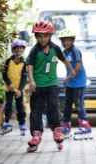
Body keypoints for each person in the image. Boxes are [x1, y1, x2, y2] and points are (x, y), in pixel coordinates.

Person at [26, 21, 75, 153]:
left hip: (52, 83)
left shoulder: (55, 48)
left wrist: (71, 71)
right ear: (36, 37)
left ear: (50, 36)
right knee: (36, 110)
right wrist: (31, 81)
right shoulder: (35, 50)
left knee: (53, 106)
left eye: (45, 36)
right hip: (37, 85)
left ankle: (57, 130)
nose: (42, 39)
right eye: (39, 36)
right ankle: (36, 135)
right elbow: (29, 66)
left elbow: (64, 59)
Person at [58, 29, 93, 140]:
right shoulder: (64, 52)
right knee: (67, 104)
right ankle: (66, 127)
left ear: (73, 41)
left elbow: (77, 68)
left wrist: (67, 79)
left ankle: (85, 127)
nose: (65, 43)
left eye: (68, 40)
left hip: (78, 81)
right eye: (63, 41)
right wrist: (67, 79)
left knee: (78, 103)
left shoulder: (75, 51)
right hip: (70, 81)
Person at [0, 40, 27, 136]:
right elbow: (4, 74)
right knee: (8, 105)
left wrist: (20, 89)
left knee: (20, 108)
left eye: (21, 48)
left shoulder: (24, 63)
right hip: (9, 89)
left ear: (23, 50)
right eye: (17, 48)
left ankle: (22, 123)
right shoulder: (8, 61)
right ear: (13, 50)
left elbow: (24, 78)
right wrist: (9, 83)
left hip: (18, 90)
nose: (19, 50)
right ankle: (5, 122)